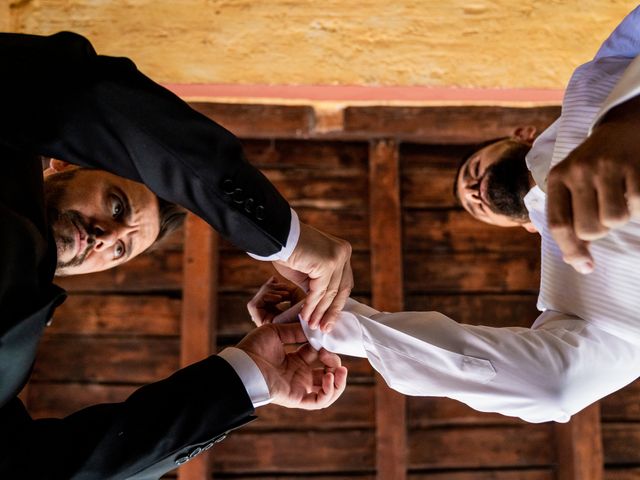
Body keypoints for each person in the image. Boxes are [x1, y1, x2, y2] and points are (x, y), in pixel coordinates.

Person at [249, 6, 640, 425]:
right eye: (475, 204)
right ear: (526, 228)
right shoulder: (579, 296)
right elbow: (554, 385)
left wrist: (628, 118)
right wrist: (326, 321)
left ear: (521, 135)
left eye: (473, 170)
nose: (473, 190)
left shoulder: (599, 92)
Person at [0, 31, 349, 479]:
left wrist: (249, 377)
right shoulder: (10, 130)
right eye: (116, 205)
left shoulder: (15, 348)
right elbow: (77, 91)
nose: (105, 236)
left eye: (121, 249)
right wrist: (279, 237)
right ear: (67, 162)